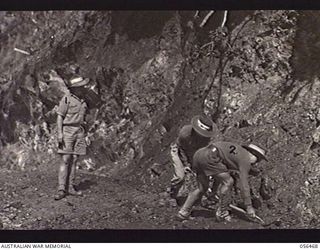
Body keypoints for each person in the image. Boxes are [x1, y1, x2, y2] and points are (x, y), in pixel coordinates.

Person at [177, 141, 268, 222]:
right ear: (253, 154)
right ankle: (222, 212)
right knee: (229, 181)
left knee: (202, 188)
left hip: (199, 155)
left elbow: (219, 171)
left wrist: (213, 191)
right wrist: (249, 207)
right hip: (210, 158)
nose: (257, 163)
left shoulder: (237, 152)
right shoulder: (245, 160)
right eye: (258, 159)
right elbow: (244, 185)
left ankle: (183, 212)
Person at [54, 76, 90, 200]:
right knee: (66, 159)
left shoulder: (83, 101)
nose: (83, 89)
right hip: (67, 131)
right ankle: (61, 189)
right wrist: (60, 134)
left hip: (79, 131)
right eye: (81, 87)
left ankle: (70, 187)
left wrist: (86, 133)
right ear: (75, 89)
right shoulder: (66, 100)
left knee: (74, 159)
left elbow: (85, 119)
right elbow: (59, 117)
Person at [169, 115, 218, 200]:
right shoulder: (185, 134)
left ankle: (208, 193)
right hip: (178, 150)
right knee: (180, 176)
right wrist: (186, 164)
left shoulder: (206, 139)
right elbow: (182, 150)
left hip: (192, 152)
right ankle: (172, 193)